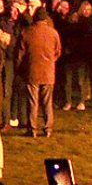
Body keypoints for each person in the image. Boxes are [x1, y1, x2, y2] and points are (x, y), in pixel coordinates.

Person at [16, 8, 62, 137]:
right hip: (48, 71)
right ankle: (48, 129)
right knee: (47, 102)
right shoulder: (53, 33)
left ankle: (32, 129)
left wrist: (20, 67)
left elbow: (20, 53)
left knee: (33, 101)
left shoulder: (26, 32)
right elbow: (58, 51)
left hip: (32, 70)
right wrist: (51, 61)